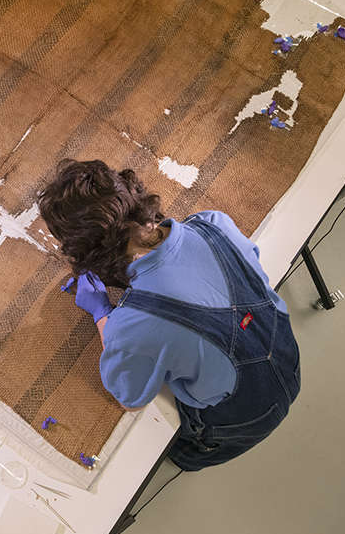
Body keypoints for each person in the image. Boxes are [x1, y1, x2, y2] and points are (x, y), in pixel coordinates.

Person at [38, 159, 300, 471]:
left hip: (242, 416)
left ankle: (194, 454)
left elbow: (130, 399)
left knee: (185, 452)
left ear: (85, 251)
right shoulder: (212, 223)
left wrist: (101, 312)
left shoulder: (136, 323)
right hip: (291, 362)